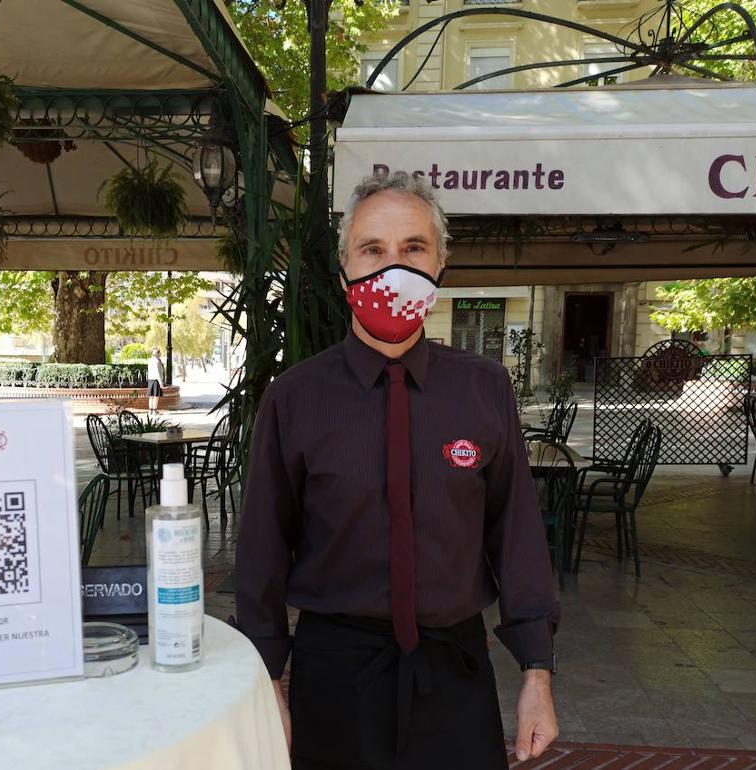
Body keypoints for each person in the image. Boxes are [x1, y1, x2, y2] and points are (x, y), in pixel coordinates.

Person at [235, 171, 559, 769]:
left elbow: (516, 535)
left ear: (440, 265)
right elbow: (262, 552)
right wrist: (269, 684)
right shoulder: (295, 397)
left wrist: (537, 674)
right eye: (372, 250)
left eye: (413, 248)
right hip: (335, 677)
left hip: (455, 674)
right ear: (344, 274)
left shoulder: (482, 389)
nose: (393, 267)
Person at [146, 348, 165, 416]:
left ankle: (150, 411)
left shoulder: (150, 360)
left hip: (150, 380)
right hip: (156, 380)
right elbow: (158, 372)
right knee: (156, 396)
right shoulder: (157, 361)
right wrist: (161, 383)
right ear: (158, 353)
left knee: (151, 396)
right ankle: (154, 411)